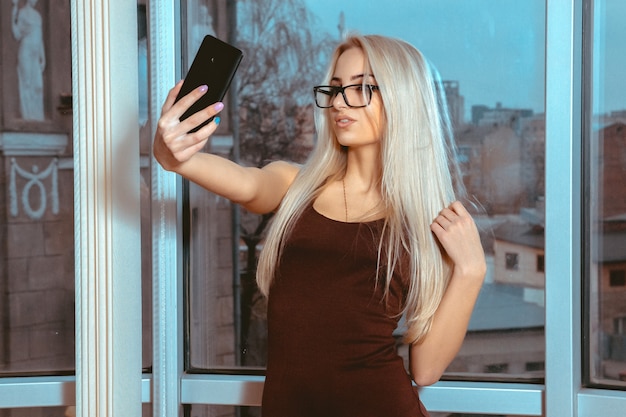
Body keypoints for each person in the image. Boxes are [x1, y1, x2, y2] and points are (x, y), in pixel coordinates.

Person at [153, 34, 486, 417]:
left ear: (403, 99)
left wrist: (472, 270)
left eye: (363, 88)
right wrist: (174, 157)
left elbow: (425, 369)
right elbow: (246, 183)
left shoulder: (427, 222)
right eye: (337, 89)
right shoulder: (295, 187)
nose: (340, 103)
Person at [11, 0, 46, 121]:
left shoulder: (38, 15)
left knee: (38, 85)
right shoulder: (22, 13)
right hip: (25, 51)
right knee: (26, 83)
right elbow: (17, 34)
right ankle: (27, 115)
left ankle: (37, 115)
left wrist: (43, 56)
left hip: (35, 54)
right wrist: (12, 16)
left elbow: (39, 36)